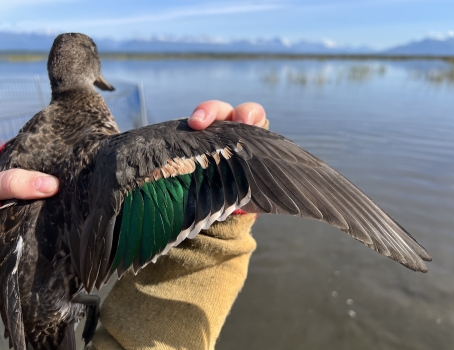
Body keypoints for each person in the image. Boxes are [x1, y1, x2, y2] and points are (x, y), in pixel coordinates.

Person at [0, 100, 267, 350]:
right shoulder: (90, 145)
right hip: (45, 304)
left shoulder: (31, 141)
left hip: (38, 302)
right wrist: (213, 232)